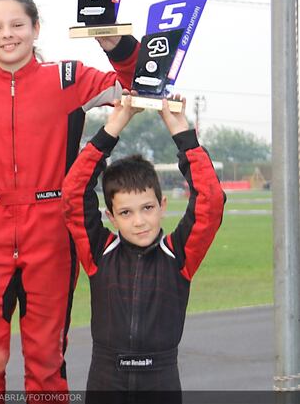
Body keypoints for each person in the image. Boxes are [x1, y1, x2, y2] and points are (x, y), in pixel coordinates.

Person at [0, 0, 139, 392]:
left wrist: (115, 43)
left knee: (45, 360)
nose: (8, 35)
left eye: (18, 25)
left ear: (35, 29)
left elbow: (139, 83)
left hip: (52, 228)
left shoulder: (67, 77)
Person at [61, 95, 226, 402]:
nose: (139, 221)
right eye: (126, 213)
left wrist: (182, 135)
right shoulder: (99, 253)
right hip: (106, 378)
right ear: (111, 216)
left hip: (160, 380)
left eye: (147, 208)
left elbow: (211, 201)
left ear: (162, 206)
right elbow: (73, 195)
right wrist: (115, 123)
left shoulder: (179, 255)